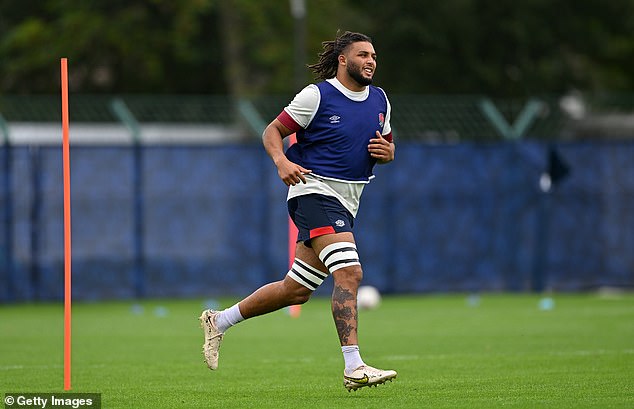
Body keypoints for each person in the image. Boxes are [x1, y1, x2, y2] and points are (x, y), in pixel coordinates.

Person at [200, 31, 396, 391]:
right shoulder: (317, 95)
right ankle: (354, 366)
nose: (370, 61)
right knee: (350, 273)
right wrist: (280, 161)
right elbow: (273, 130)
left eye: (374, 56)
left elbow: (385, 142)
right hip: (312, 190)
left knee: (296, 290)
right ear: (342, 59)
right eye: (363, 55)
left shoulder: (380, 99)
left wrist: (389, 152)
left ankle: (219, 321)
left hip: (348, 199)